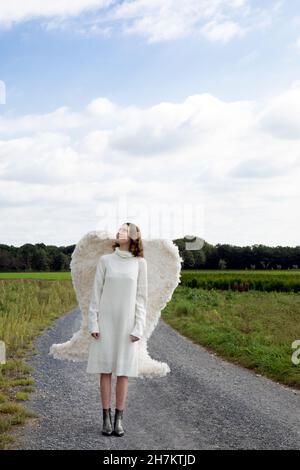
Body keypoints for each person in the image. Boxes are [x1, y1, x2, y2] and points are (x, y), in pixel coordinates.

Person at [86, 222, 148, 437]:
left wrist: (139, 327)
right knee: (106, 370)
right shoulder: (105, 261)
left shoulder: (140, 264)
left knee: (123, 372)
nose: (119, 231)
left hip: (127, 324)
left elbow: (141, 299)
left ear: (132, 237)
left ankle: (119, 420)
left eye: (124, 229)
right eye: (119, 229)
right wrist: (93, 322)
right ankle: (106, 417)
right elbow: (96, 294)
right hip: (105, 322)